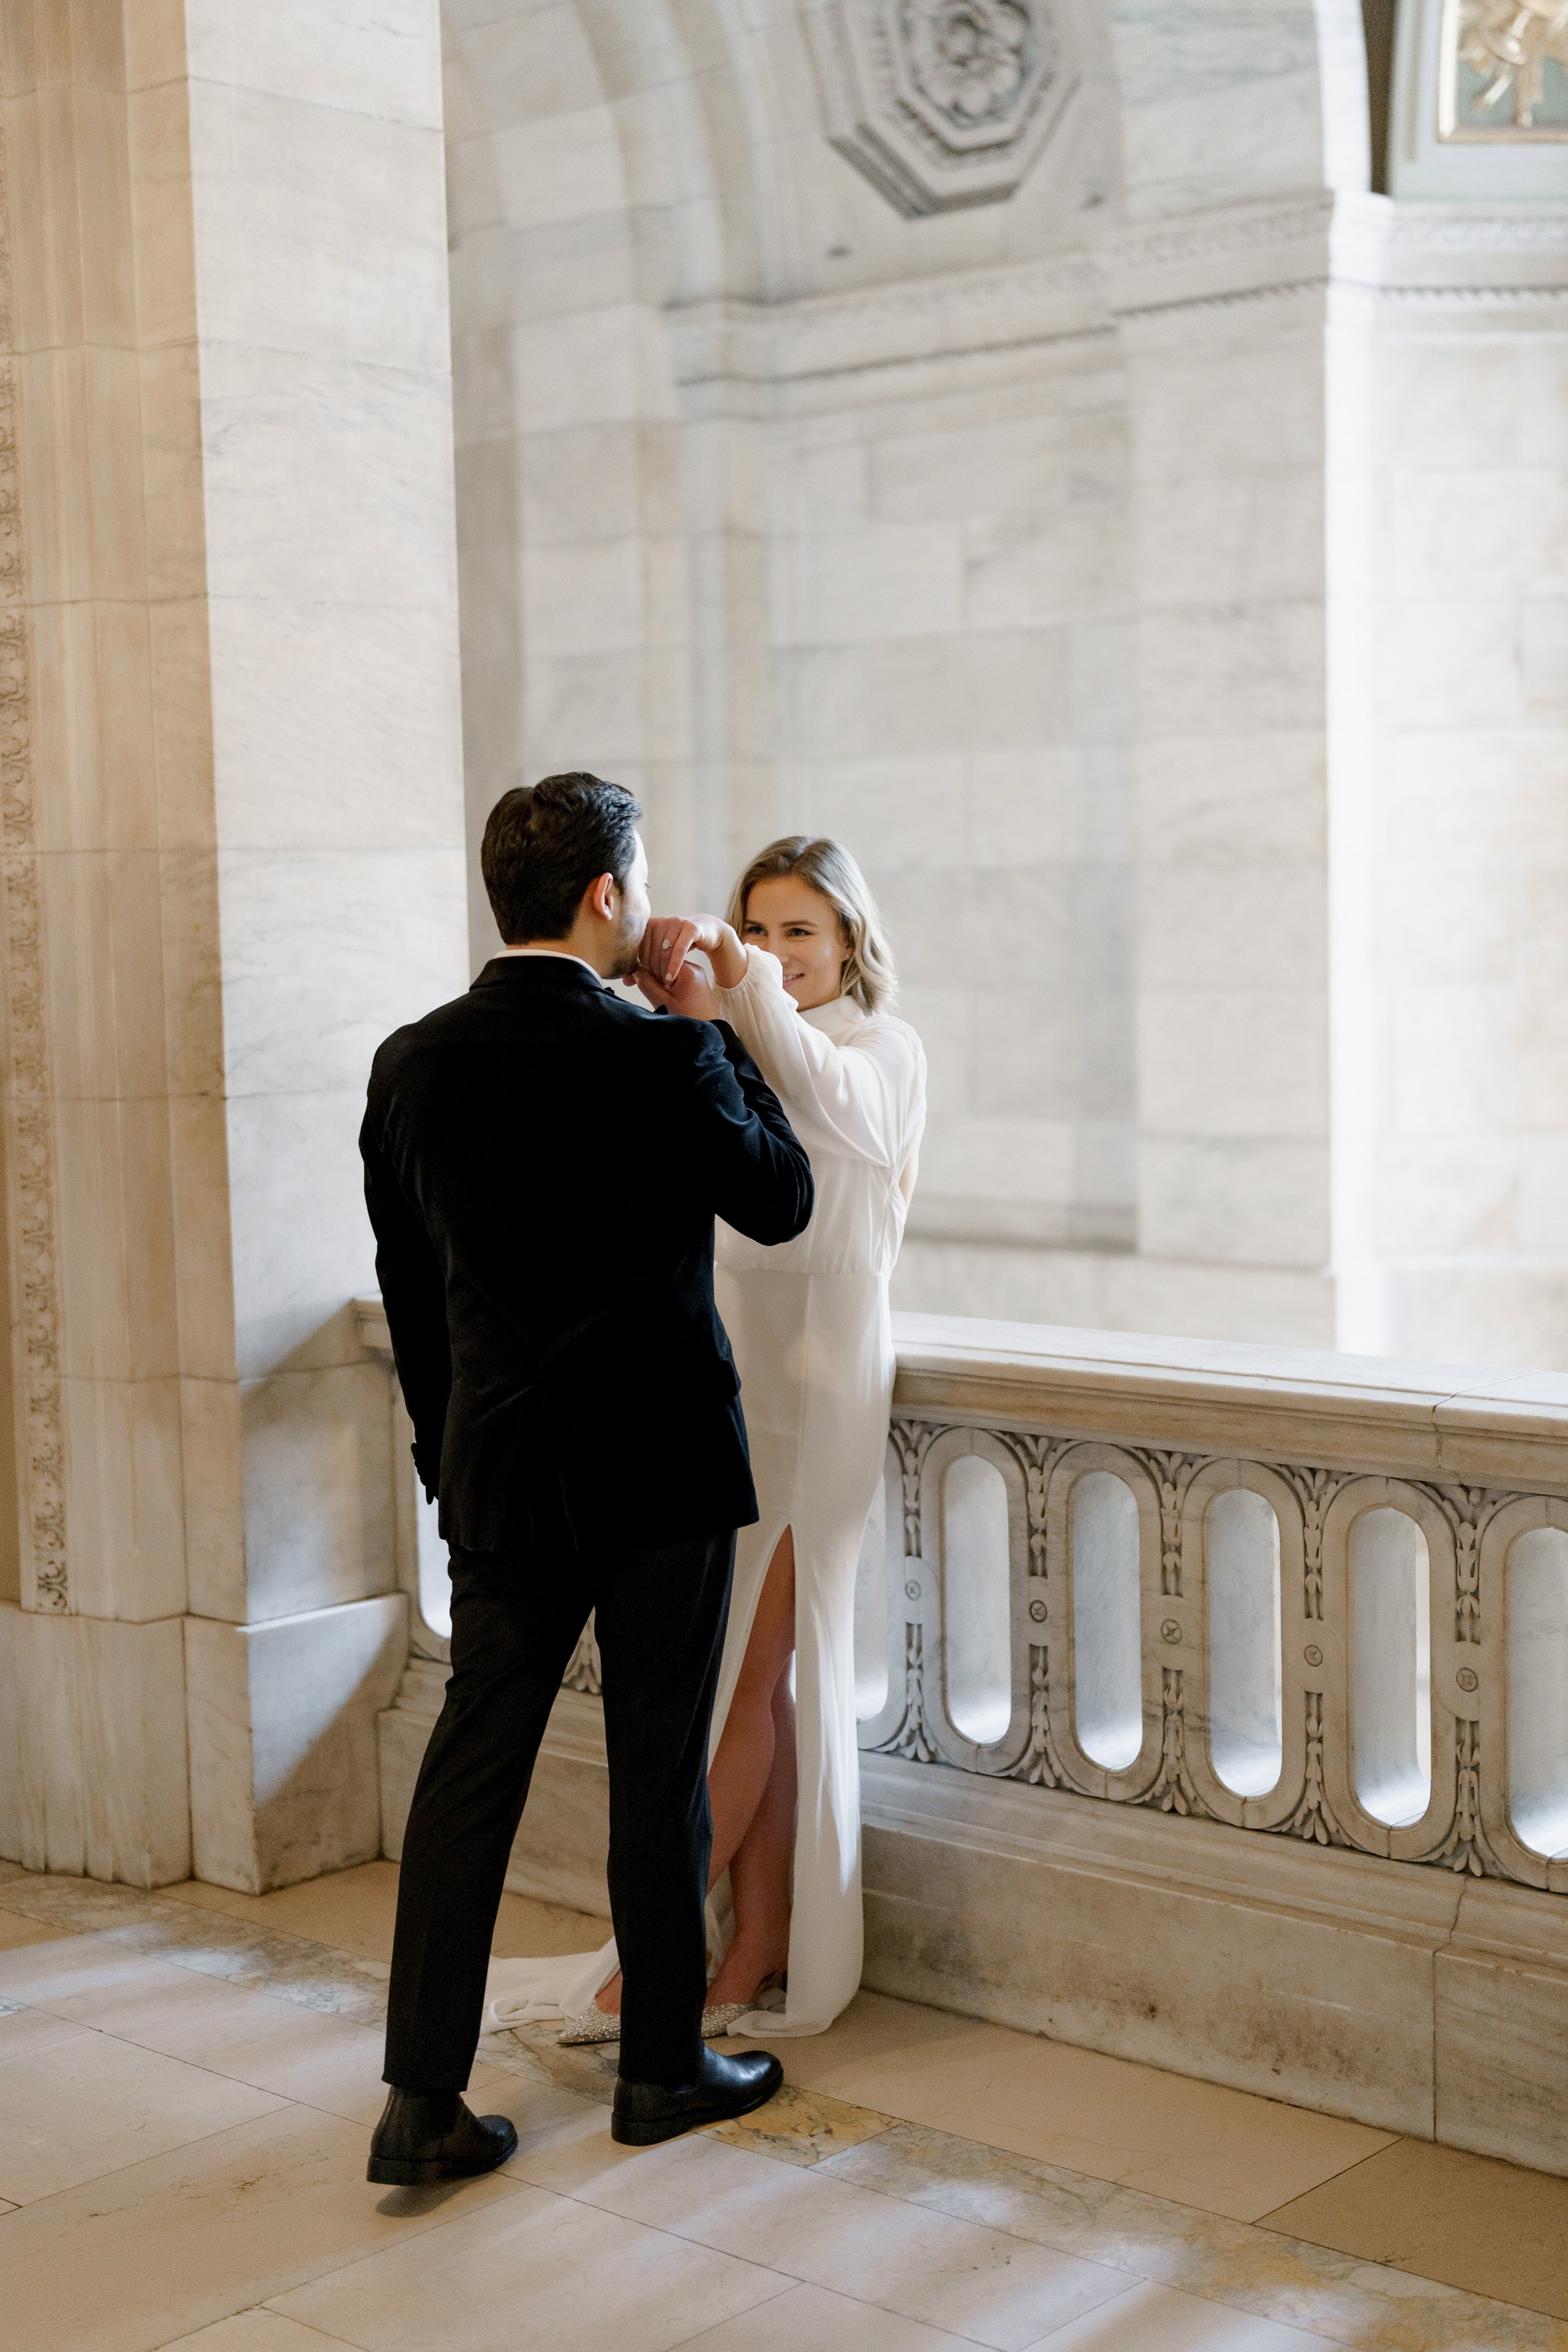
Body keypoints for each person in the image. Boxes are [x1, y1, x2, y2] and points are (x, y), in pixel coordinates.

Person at [360, 773, 813, 2183]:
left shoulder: (412, 1061)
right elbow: (782, 1202)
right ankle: (661, 2070)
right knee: (656, 1769)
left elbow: (411, 1292)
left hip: (500, 1472)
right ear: (607, 893)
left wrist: (454, 1461)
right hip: (661, 1468)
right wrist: (710, 1032)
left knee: (467, 1773)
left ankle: (419, 2106)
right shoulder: (659, 1054)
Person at [486, 834, 925, 2045]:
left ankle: (653, 1968)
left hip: (829, 1391)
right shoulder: (728, 1047)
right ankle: (757, 1946)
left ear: (847, 941)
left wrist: (734, 984)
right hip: (733, 1380)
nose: (778, 955)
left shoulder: (879, 1052)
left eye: (799, 932)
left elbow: (830, 1110)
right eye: (760, 928)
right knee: (754, 1689)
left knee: (752, 1684)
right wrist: (676, 1005)